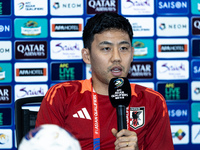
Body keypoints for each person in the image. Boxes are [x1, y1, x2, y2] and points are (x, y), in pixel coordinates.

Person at [36, 12, 174, 150]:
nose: (116, 58)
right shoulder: (62, 95)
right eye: (106, 48)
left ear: (132, 54)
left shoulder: (152, 101)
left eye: (123, 48)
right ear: (87, 55)